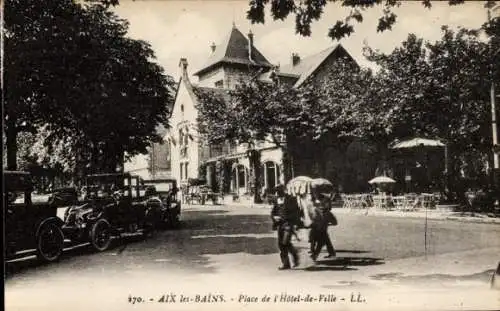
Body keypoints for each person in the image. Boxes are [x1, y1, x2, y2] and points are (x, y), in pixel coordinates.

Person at [271, 184, 301, 270]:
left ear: (283, 190)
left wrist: (296, 224)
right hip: (280, 225)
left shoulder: (291, 199)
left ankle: (295, 257)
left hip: (289, 224)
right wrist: (274, 218)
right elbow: (273, 212)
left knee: (285, 242)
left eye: (279, 190)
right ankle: (286, 264)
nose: (278, 193)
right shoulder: (277, 200)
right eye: (277, 191)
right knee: (281, 244)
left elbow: (296, 212)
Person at [309, 191, 336, 261]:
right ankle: (331, 252)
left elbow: (334, 222)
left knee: (320, 240)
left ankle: (314, 254)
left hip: (320, 227)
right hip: (319, 226)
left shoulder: (324, 201)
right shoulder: (317, 209)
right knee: (323, 239)